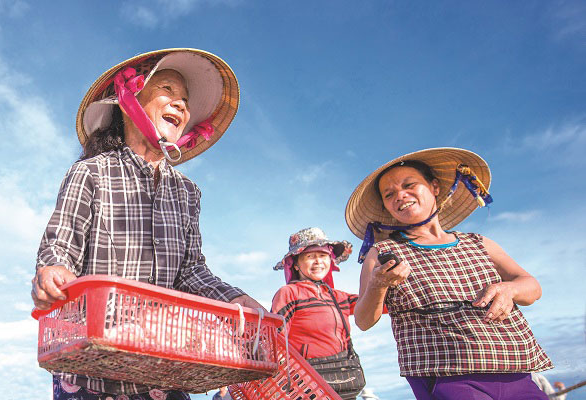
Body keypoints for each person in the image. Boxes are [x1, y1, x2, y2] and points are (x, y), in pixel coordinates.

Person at [31, 48, 263, 400]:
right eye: (168, 91)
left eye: (185, 100)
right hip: (94, 374)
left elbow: (191, 272)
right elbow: (61, 246)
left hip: (162, 371)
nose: (181, 105)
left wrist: (238, 300)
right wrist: (52, 271)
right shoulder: (90, 173)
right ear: (127, 102)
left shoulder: (187, 192)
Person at [345, 148, 553, 400]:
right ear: (386, 207)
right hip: (447, 377)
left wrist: (510, 289)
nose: (400, 195)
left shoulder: (478, 243)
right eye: (389, 194)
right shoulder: (382, 253)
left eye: (410, 185)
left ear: (434, 187)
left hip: (515, 370)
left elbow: (532, 288)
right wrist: (378, 286)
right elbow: (363, 321)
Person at [271, 227, 365, 400]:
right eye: (310, 256)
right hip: (307, 385)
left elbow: (373, 303)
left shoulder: (338, 297)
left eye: (322, 255)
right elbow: (275, 338)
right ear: (296, 264)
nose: (318, 261)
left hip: (344, 378)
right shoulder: (288, 293)